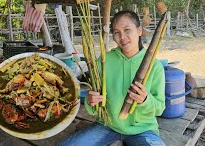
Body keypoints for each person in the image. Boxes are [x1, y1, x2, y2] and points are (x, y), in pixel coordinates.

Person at [58, 11, 166, 146]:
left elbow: (159, 107)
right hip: (107, 125)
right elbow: (94, 103)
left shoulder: (154, 65)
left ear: (139, 31)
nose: (122, 37)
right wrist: (90, 101)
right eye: (116, 32)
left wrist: (145, 100)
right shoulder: (104, 61)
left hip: (142, 129)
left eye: (127, 30)